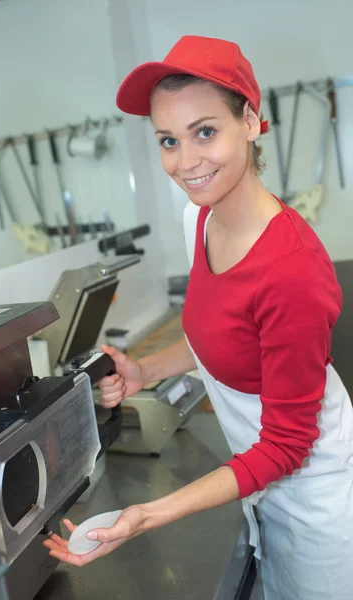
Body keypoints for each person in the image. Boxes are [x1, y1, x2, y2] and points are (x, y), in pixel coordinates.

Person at [43, 36, 353, 599]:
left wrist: (145, 515)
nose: (185, 161)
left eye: (205, 131)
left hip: (319, 507)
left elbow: (287, 445)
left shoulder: (291, 270)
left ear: (252, 122)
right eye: (168, 139)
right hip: (262, 488)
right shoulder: (200, 220)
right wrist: (146, 369)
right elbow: (221, 335)